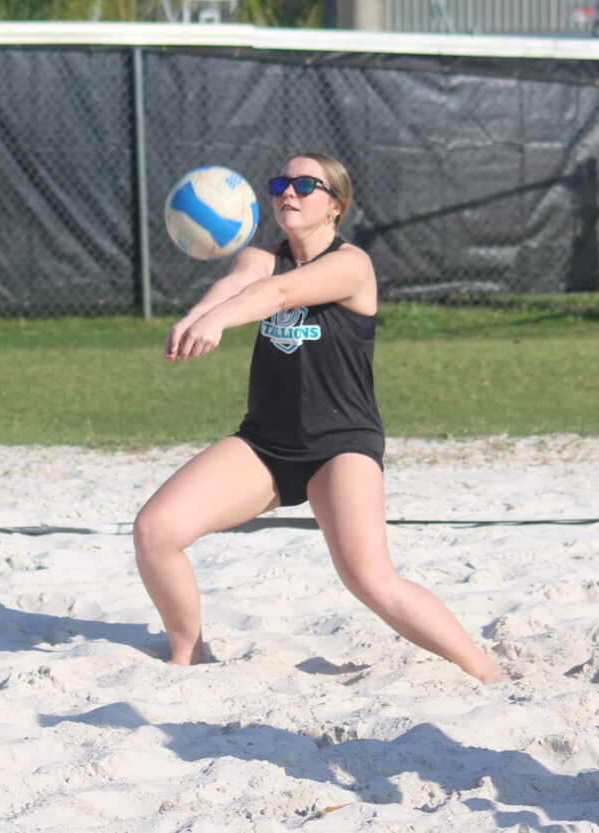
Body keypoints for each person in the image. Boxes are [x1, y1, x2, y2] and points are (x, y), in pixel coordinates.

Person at [133, 153, 511, 684]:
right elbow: (240, 285)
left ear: (335, 205)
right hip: (266, 444)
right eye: (281, 183)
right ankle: (187, 657)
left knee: (369, 577)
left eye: (305, 186)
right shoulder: (264, 257)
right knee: (155, 531)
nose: (289, 192)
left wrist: (218, 321)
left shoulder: (351, 264)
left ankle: (485, 670)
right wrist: (197, 316)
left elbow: (279, 294)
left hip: (341, 446)